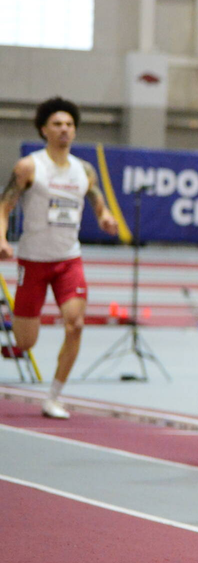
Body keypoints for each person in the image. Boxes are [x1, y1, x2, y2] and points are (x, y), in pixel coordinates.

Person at [0, 97, 118, 419]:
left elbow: (99, 204)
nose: (64, 129)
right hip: (33, 260)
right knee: (25, 342)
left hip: (68, 260)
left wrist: (106, 218)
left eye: (69, 125)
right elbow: (4, 207)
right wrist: (2, 239)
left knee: (75, 325)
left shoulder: (84, 171)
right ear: (44, 130)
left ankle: (53, 397)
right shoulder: (29, 167)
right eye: (57, 124)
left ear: (75, 131)